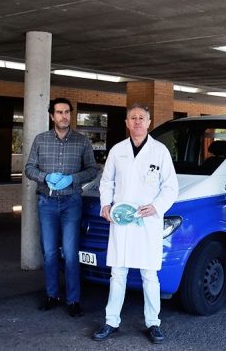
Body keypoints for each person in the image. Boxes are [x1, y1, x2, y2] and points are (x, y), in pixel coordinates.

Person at [92, 103, 178, 344]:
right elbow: (106, 182)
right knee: (118, 273)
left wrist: (157, 207)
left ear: (149, 122)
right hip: (121, 221)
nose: (137, 121)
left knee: (149, 275)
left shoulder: (160, 151)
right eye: (133, 118)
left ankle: (153, 323)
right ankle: (111, 321)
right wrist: (105, 204)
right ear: (127, 123)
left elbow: (170, 187)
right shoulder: (117, 150)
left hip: (147, 221)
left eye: (141, 117)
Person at [24, 98, 98, 317]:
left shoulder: (82, 141)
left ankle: (73, 300)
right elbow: (29, 168)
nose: (63, 116)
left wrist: (72, 178)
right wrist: (45, 177)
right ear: (52, 116)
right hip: (46, 202)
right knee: (48, 252)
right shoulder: (40, 140)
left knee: (70, 253)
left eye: (67, 112)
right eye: (59, 112)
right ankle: (52, 295)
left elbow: (92, 170)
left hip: (71, 203)